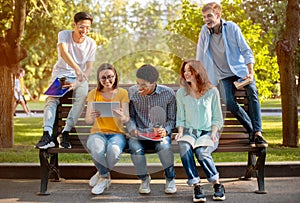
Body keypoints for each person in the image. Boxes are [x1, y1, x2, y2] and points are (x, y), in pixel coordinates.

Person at [196, 2, 268, 148]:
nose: (206, 20)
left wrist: (250, 72)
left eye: (209, 16)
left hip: (240, 71)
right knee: (228, 101)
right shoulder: (204, 31)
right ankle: (254, 132)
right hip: (222, 75)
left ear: (218, 15)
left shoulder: (232, 28)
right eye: (204, 17)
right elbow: (200, 58)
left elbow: (246, 51)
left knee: (252, 92)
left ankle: (258, 133)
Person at [35, 11, 97, 149]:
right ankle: (47, 134)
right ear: (74, 25)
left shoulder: (91, 43)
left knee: (82, 96)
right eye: (81, 26)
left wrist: (77, 82)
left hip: (79, 78)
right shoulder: (63, 35)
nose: (84, 30)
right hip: (61, 74)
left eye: (87, 27)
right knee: (52, 99)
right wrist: (76, 68)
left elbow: (89, 69)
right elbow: (63, 53)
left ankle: (65, 132)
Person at [175, 59, 225, 202]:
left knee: (201, 152)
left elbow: (217, 118)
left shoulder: (212, 91)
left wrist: (214, 133)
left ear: (198, 72)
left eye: (189, 71)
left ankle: (217, 184)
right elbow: (181, 117)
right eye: (184, 71)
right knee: (184, 147)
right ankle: (196, 185)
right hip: (189, 132)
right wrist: (180, 131)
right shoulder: (181, 93)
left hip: (208, 132)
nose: (186, 74)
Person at [126, 64, 177, 194]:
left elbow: (172, 120)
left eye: (143, 85)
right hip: (139, 133)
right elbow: (130, 116)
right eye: (137, 83)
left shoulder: (168, 94)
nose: (139, 87)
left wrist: (166, 130)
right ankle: (144, 179)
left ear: (154, 83)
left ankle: (170, 178)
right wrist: (132, 129)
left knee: (165, 147)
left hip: (158, 133)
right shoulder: (132, 92)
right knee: (135, 149)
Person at [85, 63, 130, 195]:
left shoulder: (122, 93)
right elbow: (88, 120)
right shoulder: (93, 93)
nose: (107, 80)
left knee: (114, 151)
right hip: (97, 133)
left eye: (110, 77)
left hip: (117, 134)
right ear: (99, 79)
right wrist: (92, 116)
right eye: (103, 78)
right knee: (97, 149)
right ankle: (105, 178)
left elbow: (126, 118)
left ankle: (101, 172)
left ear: (115, 76)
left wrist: (121, 115)